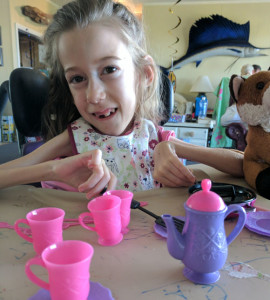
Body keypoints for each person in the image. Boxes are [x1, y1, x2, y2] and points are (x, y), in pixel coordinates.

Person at [0, 0, 243, 199]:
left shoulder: (154, 136)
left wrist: (169, 146)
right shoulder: (74, 139)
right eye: (77, 78)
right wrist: (53, 169)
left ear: (144, 74)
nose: (94, 96)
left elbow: (243, 165)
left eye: (109, 70)